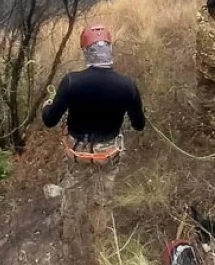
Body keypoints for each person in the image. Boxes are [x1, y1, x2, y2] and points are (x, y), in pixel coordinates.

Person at [42, 24, 145, 261]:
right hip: (108, 152)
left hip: (78, 152)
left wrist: (48, 105)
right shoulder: (128, 86)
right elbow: (139, 124)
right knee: (103, 197)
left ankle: (69, 240)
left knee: (73, 194)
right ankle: (99, 243)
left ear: (86, 52)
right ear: (109, 49)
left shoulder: (71, 82)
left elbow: (50, 120)